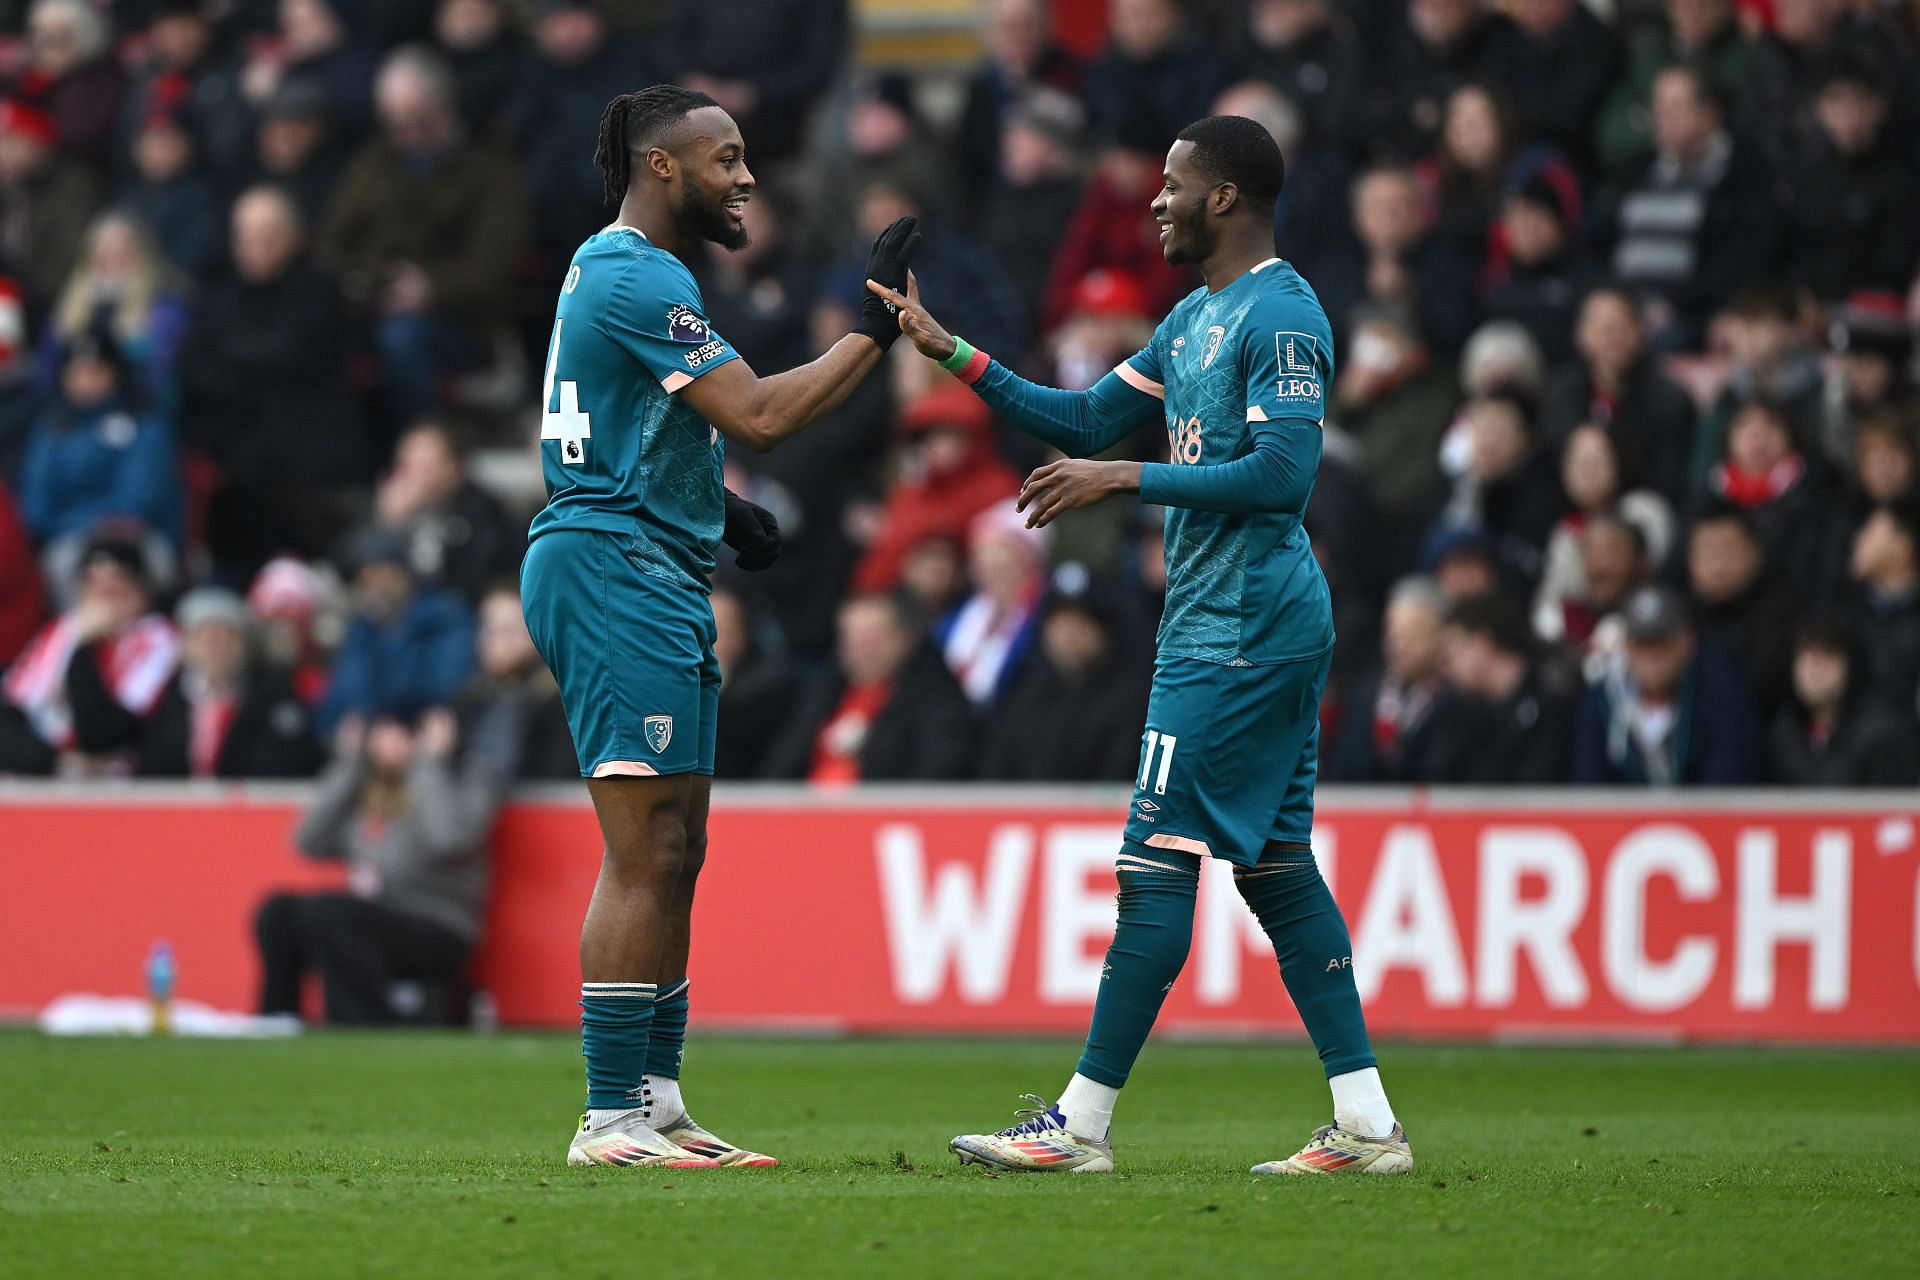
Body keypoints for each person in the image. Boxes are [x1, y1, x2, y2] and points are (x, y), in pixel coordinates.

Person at [875, 114, 1411, 1175]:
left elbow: (1280, 478)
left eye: (1171, 184)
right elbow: (1078, 419)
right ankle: (1366, 1123)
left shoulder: (1285, 315)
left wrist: (1128, 479)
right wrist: (953, 353)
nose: (1154, 201)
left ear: (1223, 197)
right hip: (1225, 620)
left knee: (1152, 861)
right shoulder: (1192, 319)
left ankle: (1078, 1125)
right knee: (1274, 865)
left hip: (1243, 625)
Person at [516, 84, 920, 1169]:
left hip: (649, 551)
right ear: (663, 168)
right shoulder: (637, 273)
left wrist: (711, 505)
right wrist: (871, 333)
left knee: (680, 845)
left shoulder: (623, 270)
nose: (746, 176)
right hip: (612, 567)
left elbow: (633, 410)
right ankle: (608, 1118)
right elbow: (763, 413)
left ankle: (656, 1100)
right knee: (645, 843)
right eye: (727, 158)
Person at [316, 45, 531, 420]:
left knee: (402, 337)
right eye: (395, 122)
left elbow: (493, 264)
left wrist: (430, 287)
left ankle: (425, 442)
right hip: (370, 300)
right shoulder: (374, 160)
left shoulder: (488, 169)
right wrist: (367, 278)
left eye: (416, 119)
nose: (406, 133)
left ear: (443, 105)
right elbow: (331, 239)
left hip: (459, 319)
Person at [256, 703, 501, 1025]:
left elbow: (449, 837)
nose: (387, 747)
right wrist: (350, 765)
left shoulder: (467, 777)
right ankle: (276, 1022)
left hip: (438, 923)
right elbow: (307, 840)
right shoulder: (368, 787)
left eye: (399, 736)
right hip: (374, 914)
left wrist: (427, 764)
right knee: (279, 911)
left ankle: (362, 1025)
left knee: (333, 912)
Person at [0, 533, 177, 776]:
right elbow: (12, 709)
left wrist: (84, 648)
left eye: (118, 581)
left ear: (142, 590)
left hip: (122, 786)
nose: (104, 593)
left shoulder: (159, 639)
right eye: (92, 581)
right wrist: (53, 762)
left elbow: (103, 731)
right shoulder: (61, 630)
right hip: (50, 772)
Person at [762, 591, 976, 783]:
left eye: (873, 638)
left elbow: (936, 771)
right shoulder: (824, 694)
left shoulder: (937, 701)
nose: (861, 650)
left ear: (904, 639)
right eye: (852, 639)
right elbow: (783, 762)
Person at [1571, 583, 1762, 785]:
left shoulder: (1718, 688)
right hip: (1622, 815)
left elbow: (1729, 775)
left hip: (1701, 812)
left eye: (1662, 641)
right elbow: (1588, 780)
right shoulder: (1603, 696)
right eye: (1642, 643)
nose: (1652, 655)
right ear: (1626, 647)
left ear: (1687, 641)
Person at [135, 587, 324, 779]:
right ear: (185, 646)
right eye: (205, 638)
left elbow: (290, 763)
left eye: (228, 637)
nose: (216, 648)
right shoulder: (164, 702)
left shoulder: (274, 701)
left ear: (245, 646)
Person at [979, 579, 1150, 781]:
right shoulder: (1028, 691)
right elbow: (997, 764)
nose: (1069, 635)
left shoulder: (1133, 696)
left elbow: (1121, 772)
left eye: (1081, 623)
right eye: (1059, 624)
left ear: (1105, 629)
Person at [316, 531, 475, 736]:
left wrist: (395, 634)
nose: (377, 586)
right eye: (367, 577)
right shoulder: (361, 629)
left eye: (385, 573)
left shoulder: (445, 616)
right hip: (370, 740)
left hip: (430, 735)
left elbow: (446, 687)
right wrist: (371, 728)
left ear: (405, 574)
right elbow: (338, 701)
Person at [1431, 590, 1577, 783]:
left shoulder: (1553, 698)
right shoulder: (1462, 710)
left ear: (1482, 643)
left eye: (1454, 649)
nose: (1447, 664)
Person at [369, 419, 515, 607]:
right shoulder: (393, 512)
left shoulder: (480, 513)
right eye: (405, 466)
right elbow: (352, 568)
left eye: (423, 467)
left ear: (453, 468)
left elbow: (469, 581)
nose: (411, 478)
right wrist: (388, 524)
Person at [1326, 575, 1458, 782]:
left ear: (1442, 634)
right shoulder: (1367, 696)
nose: (1400, 644)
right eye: (1394, 631)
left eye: (1413, 632)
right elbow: (1343, 768)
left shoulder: (1458, 698)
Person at [1768, 617, 1920, 786]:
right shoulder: (1784, 731)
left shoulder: (1882, 736)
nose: (1813, 671)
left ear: (1851, 665)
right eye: (1805, 655)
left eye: (1826, 656)